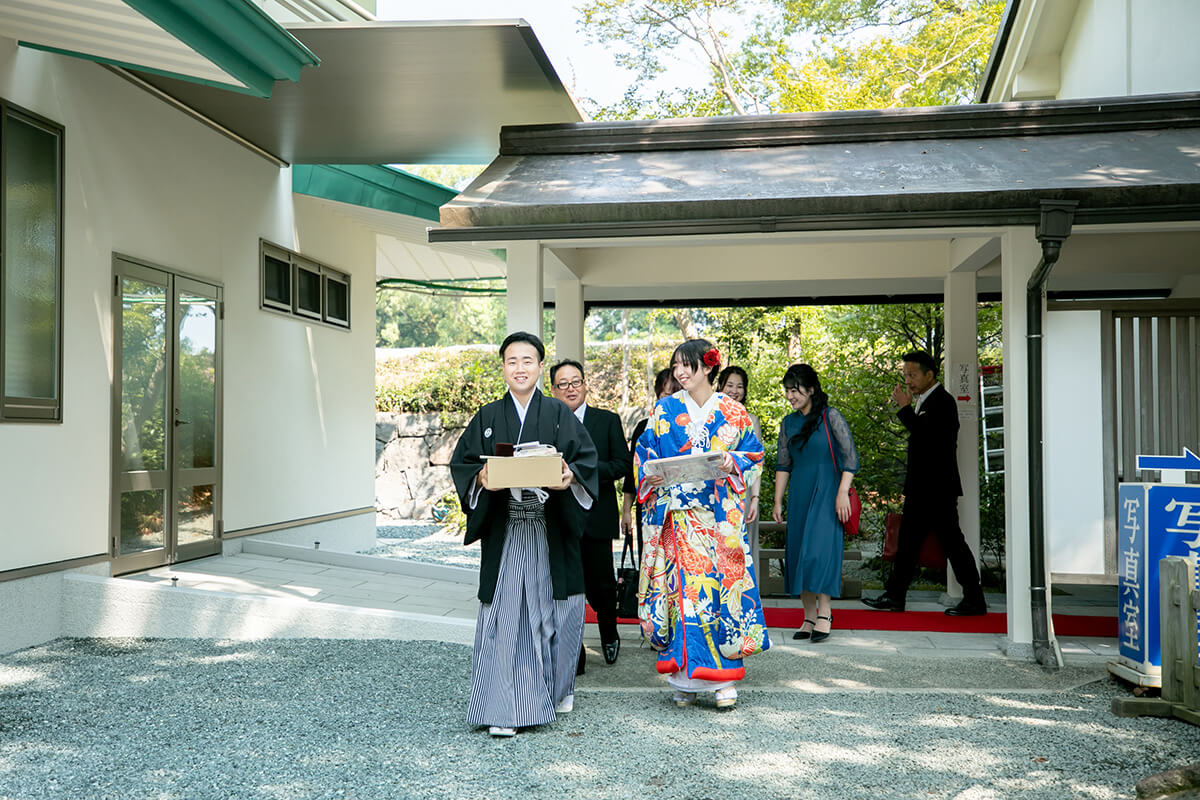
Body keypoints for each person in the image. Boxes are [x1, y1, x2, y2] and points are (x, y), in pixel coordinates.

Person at [449, 331, 599, 738]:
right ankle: (505, 705)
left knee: (556, 616)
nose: (520, 368)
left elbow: (585, 462)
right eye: (512, 361)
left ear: (538, 367)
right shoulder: (486, 416)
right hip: (508, 528)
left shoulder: (557, 413)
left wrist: (568, 476)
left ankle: (554, 689)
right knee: (506, 616)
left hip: (550, 528)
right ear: (503, 368)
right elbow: (462, 465)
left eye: (528, 360)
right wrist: (482, 476)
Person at [634, 339, 769, 709]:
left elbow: (754, 454)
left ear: (708, 367)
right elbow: (644, 454)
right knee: (682, 598)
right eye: (676, 366)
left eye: (687, 365)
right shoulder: (664, 410)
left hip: (718, 522)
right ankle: (684, 679)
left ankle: (723, 680)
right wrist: (651, 475)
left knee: (718, 597)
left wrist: (732, 462)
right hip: (677, 519)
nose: (679, 372)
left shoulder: (732, 411)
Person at [862, 350, 987, 616]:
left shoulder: (943, 401)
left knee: (953, 543)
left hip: (937, 489)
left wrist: (905, 408)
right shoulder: (925, 400)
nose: (908, 380)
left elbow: (927, 437)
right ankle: (896, 596)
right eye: (905, 374)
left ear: (930, 374)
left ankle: (975, 599)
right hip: (922, 488)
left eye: (913, 374)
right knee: (907, 543)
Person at [550, 358, 632, 668]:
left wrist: (583, 472)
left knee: (602, 585)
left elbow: (623, 464)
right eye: (563, 384)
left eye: (576, 382)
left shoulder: (606, 420)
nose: (570, 389)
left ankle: (610, 634)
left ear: (585, 385)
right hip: (559, 516)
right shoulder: (548, 423)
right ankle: (576, 650)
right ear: (554, 390)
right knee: (569, 585)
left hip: (597, 516)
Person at [771, 364, 858, 643]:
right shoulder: (788, 423)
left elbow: (850, 458)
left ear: (810, 389)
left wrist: (843, 492)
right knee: (798, 553)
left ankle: (825, 613)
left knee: (819, 552)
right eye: (787, 390)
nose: (790, 396)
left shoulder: (830, 416)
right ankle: (808, 616)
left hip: (829, 492)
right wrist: (777, 500)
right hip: (800, 491)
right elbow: (783, 464)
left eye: (794, 390)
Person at [620, 368, 680, 559]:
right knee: (650, 560)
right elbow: (632, 473)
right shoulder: (643, 427)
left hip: (681, 507)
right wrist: (626, 511)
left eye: (675, 394)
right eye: (665, 394)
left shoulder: (690, 428)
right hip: (650, 507)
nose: (669, 400)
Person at [717, 365, 763, 567]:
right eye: (729, 385)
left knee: (743, 550)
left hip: (741, 492)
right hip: (714, 490)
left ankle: (747, 597)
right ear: (720, 386)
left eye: (740, 386)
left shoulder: (751, 420)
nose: (734, 391)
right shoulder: (711, 417)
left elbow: (756, 462)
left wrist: (755, 498)